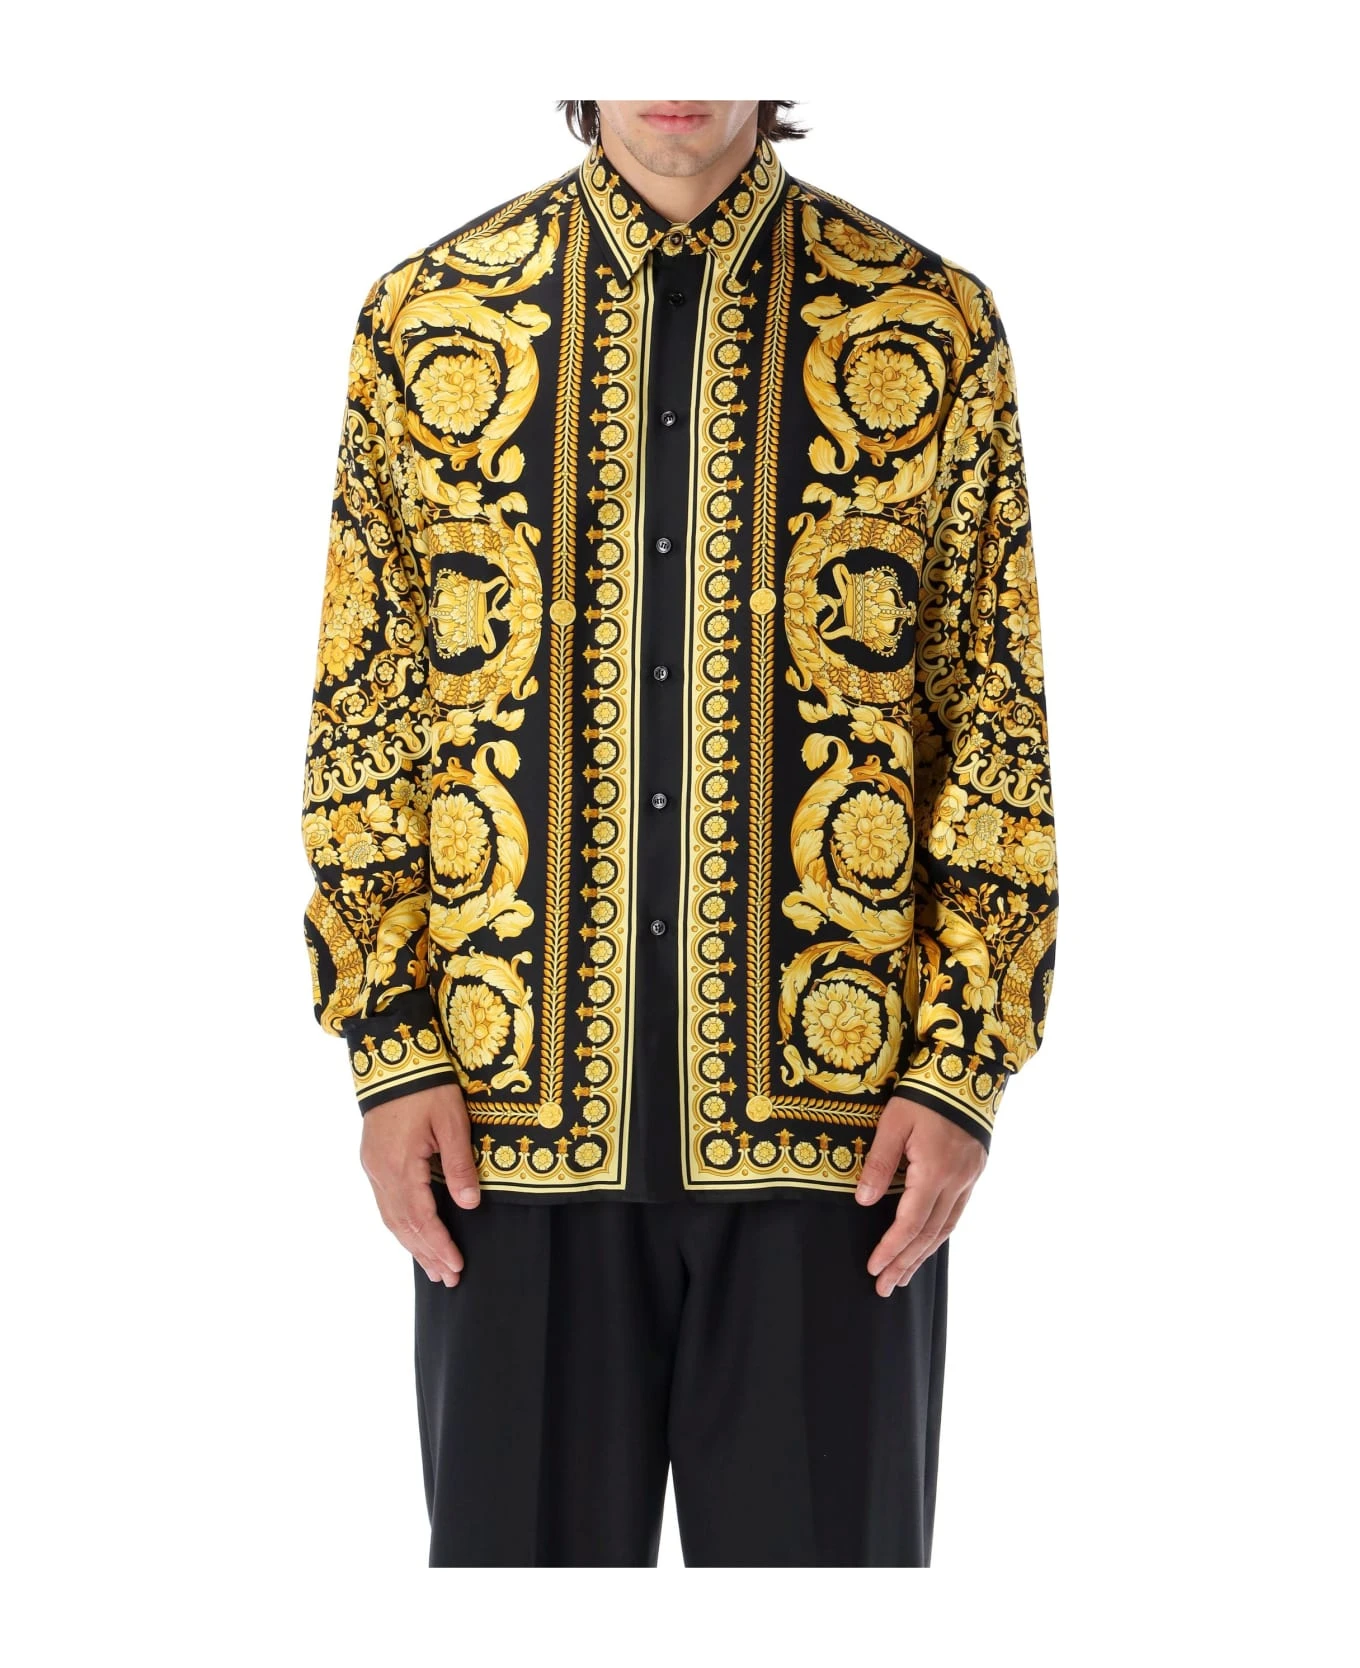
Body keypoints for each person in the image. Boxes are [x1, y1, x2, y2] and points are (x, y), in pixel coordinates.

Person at [300, 98, 1059, 1567]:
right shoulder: (428, 319)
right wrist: (387, 1041)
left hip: (841, 1143)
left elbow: (994, 716)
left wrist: (963, 1063)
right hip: (502, 1130)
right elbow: (366, 704)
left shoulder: (929, 326)